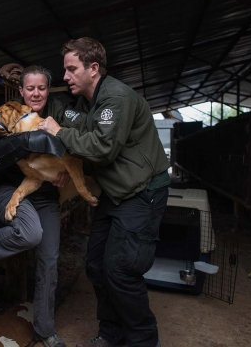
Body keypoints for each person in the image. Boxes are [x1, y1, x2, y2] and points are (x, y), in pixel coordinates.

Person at [38, 38, 170, 347]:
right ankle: (111, 334)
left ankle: (142, 340)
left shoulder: (116, 98)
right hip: (115, 191)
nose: (66, 76)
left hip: (141, 191)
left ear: (93, 68)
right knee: (97, 266)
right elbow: (81, 136)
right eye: (65, 70)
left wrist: (58, 131)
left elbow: (103, 149)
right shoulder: (86, 101)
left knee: (121, 270)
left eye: (72, 69)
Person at [0, 65, 82, 347]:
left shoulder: (55, 116)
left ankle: (44, 329)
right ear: (21, 90)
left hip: (45, 198)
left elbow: (74, 150)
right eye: (30, 88)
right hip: (9, 190)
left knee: (49, 263)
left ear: (47, 89)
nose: (36, 93)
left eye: (41, 87)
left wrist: (63, 168)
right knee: (31, 234)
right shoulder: (7, 113)